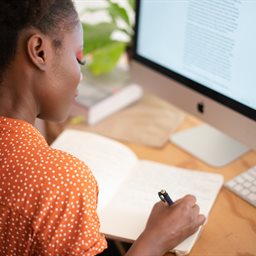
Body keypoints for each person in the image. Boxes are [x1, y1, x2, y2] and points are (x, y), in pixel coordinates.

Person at [0, 1, 206, 255]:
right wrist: (156, 239)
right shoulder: (58, 183)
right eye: (79, 59)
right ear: (39, 51)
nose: (81, 75)